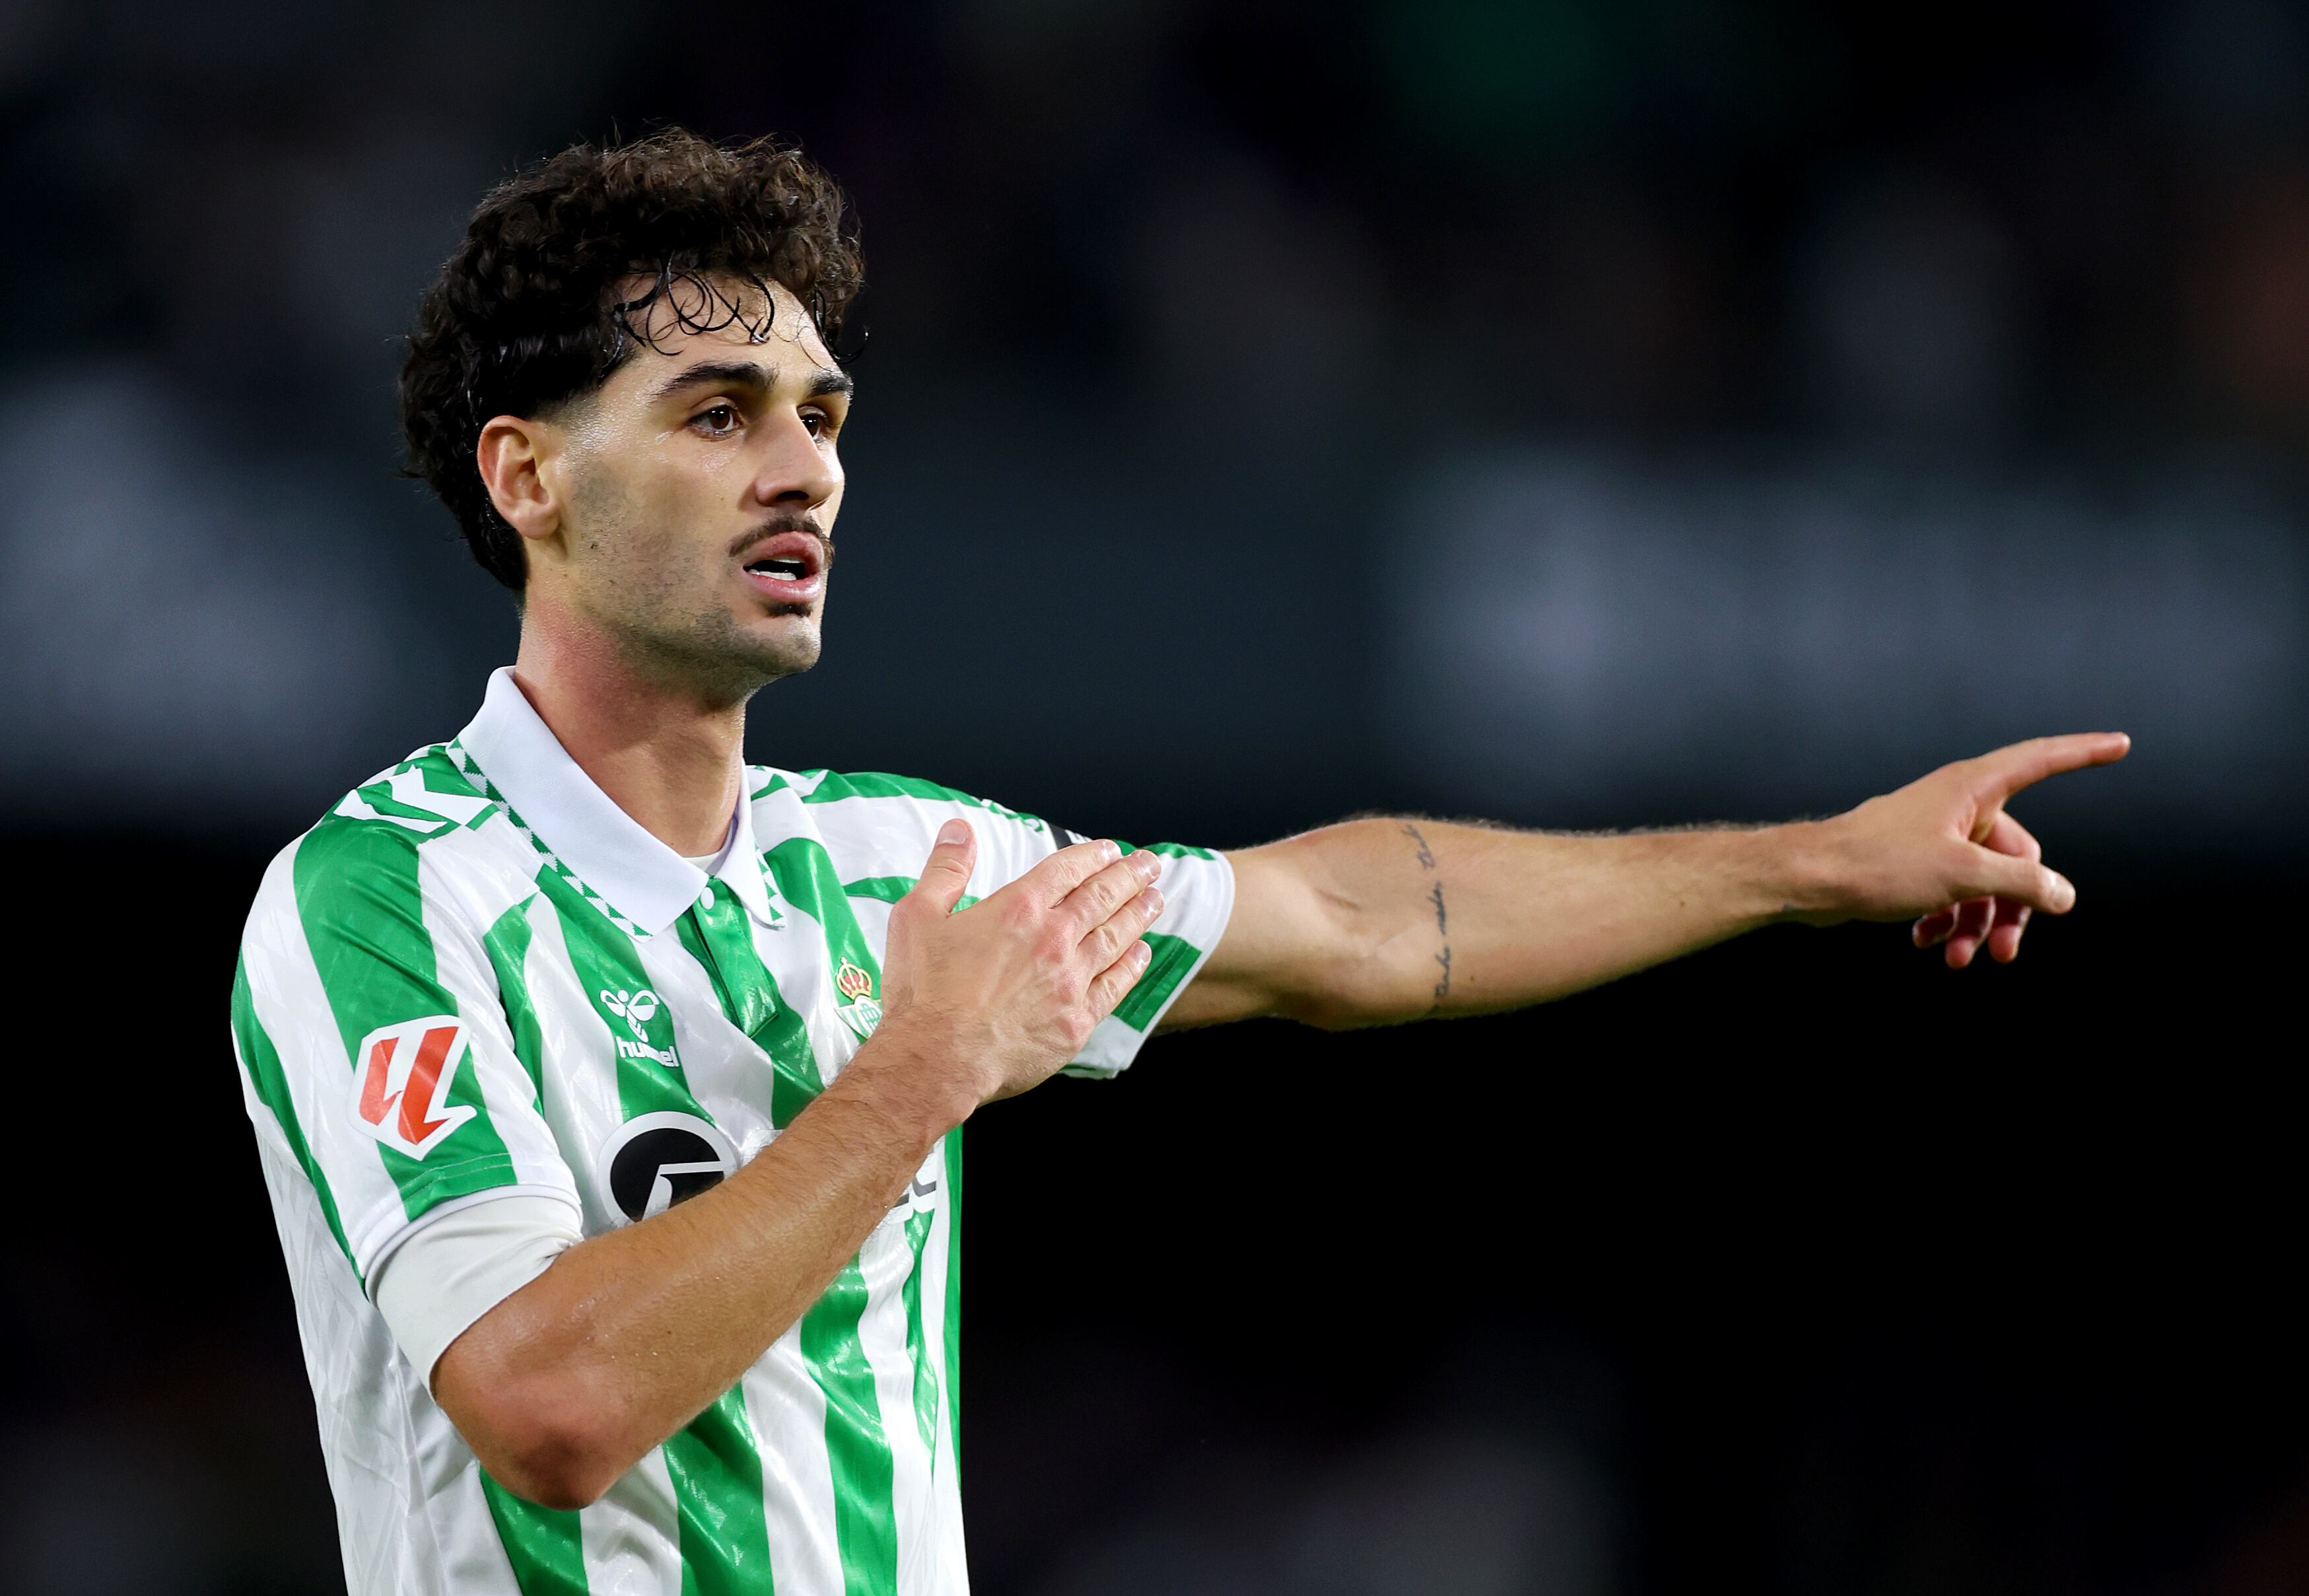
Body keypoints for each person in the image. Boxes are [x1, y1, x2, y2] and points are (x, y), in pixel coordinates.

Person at [231, 129, 2127, 1596]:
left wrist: (1806, 860)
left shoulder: (896, 862)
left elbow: (1360, 920)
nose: (801, 468)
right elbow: (547, 1404)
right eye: (716, 417)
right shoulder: (387, 897)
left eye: (820, 416)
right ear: (527, 477)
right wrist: (917, 1075)